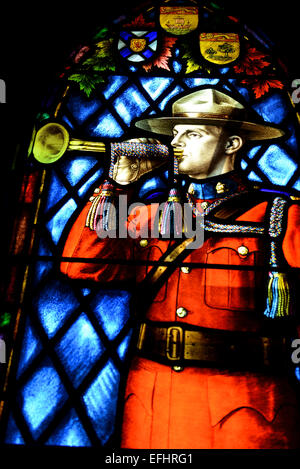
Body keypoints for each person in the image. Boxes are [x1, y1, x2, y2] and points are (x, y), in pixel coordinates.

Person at [60, 88, 300, 449]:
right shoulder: (149, 213)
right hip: (151, 400)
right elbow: (82, 267)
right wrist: (119, 185)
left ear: (232, 143)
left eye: (193, 133)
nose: (176, 144)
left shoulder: (280, 215)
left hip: (247, 403)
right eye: (174, 133)